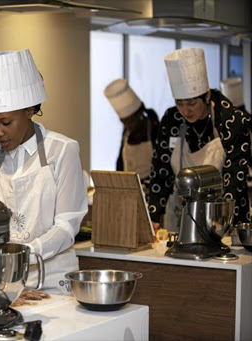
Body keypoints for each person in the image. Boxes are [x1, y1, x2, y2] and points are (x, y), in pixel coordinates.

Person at [0, 49, 88, 295]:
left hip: (52, 279)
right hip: (2, 281)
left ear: (29, 111)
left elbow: (67, 226)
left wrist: (24, 255)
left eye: (5, 122)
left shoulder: (62, 150)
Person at [148, 47, 251, 231]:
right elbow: (161, 171)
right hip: (181, 218)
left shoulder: (232, 121)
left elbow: (235, 179)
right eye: (179, 104)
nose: (186, 111)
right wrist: (153, 215)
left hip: (225, 222)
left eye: (192, 103)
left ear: (207, 95)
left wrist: (221, 224)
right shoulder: (172, 120)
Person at [104, 78, 159, 180]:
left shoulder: (154, 129)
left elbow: (161, 165)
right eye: (123, 122)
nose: (127, 125)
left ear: (139, 115)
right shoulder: (126, 134)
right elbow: (120, 164)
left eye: (129, 121)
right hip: (129, 186)